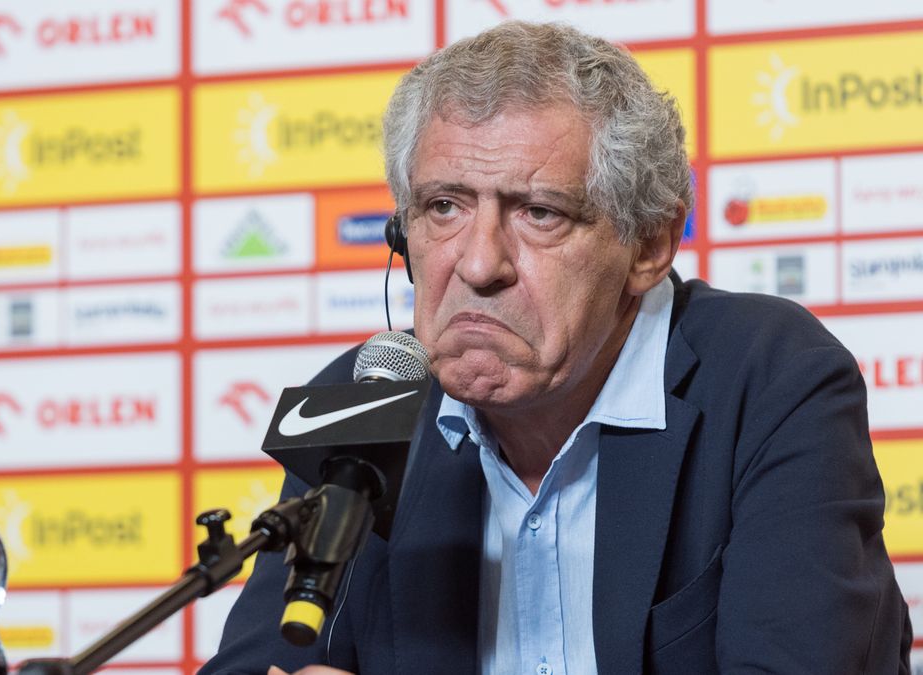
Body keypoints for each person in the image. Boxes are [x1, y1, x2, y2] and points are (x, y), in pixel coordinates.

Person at [200, 20, 912, 675]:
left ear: (652, 243)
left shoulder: (772, 379)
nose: (478, 265)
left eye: (538, 212)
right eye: (443, 206)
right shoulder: (363, 401)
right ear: (402, 234)